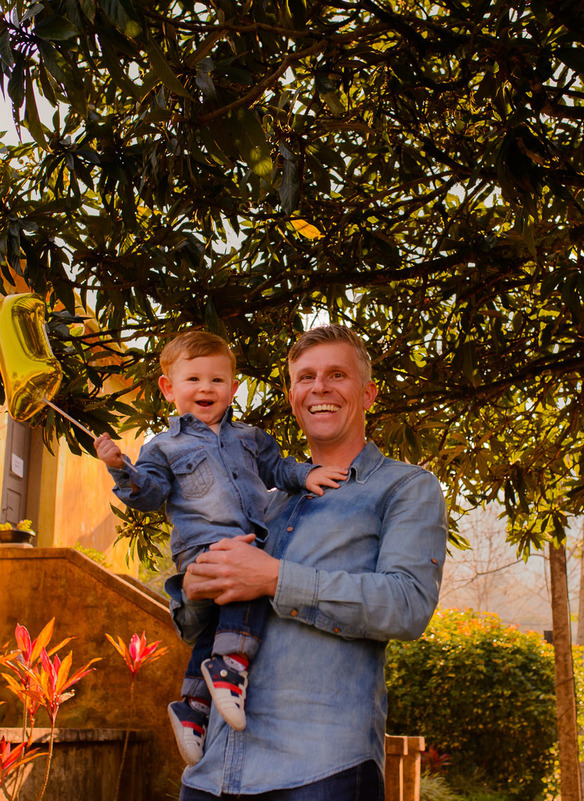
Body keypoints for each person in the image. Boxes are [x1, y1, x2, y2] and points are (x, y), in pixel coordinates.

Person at [168, 324, 448, 800]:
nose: (320, 387)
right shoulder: (263, 501)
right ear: (293, 396)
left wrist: (275, 579)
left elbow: (407, 604)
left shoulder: (405, 488)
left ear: (368, 393)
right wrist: (194, 589)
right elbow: (198, 628)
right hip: (213, 774)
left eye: (337, 374)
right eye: (305, 377)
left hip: (322, 772)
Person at [93, 331, 346, 765]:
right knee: (248, 589)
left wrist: (306, 475)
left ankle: (192, 707)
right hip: (202, 548)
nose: (206, 389)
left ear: (232, 387)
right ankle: (230, 665)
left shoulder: (251, 438)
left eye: (217, 380)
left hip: (251, 539)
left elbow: (278, 468)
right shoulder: (164, 447)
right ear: (168, 388)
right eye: (193, 379)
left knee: (212, 628)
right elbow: (150, 495)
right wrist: (121, 468)